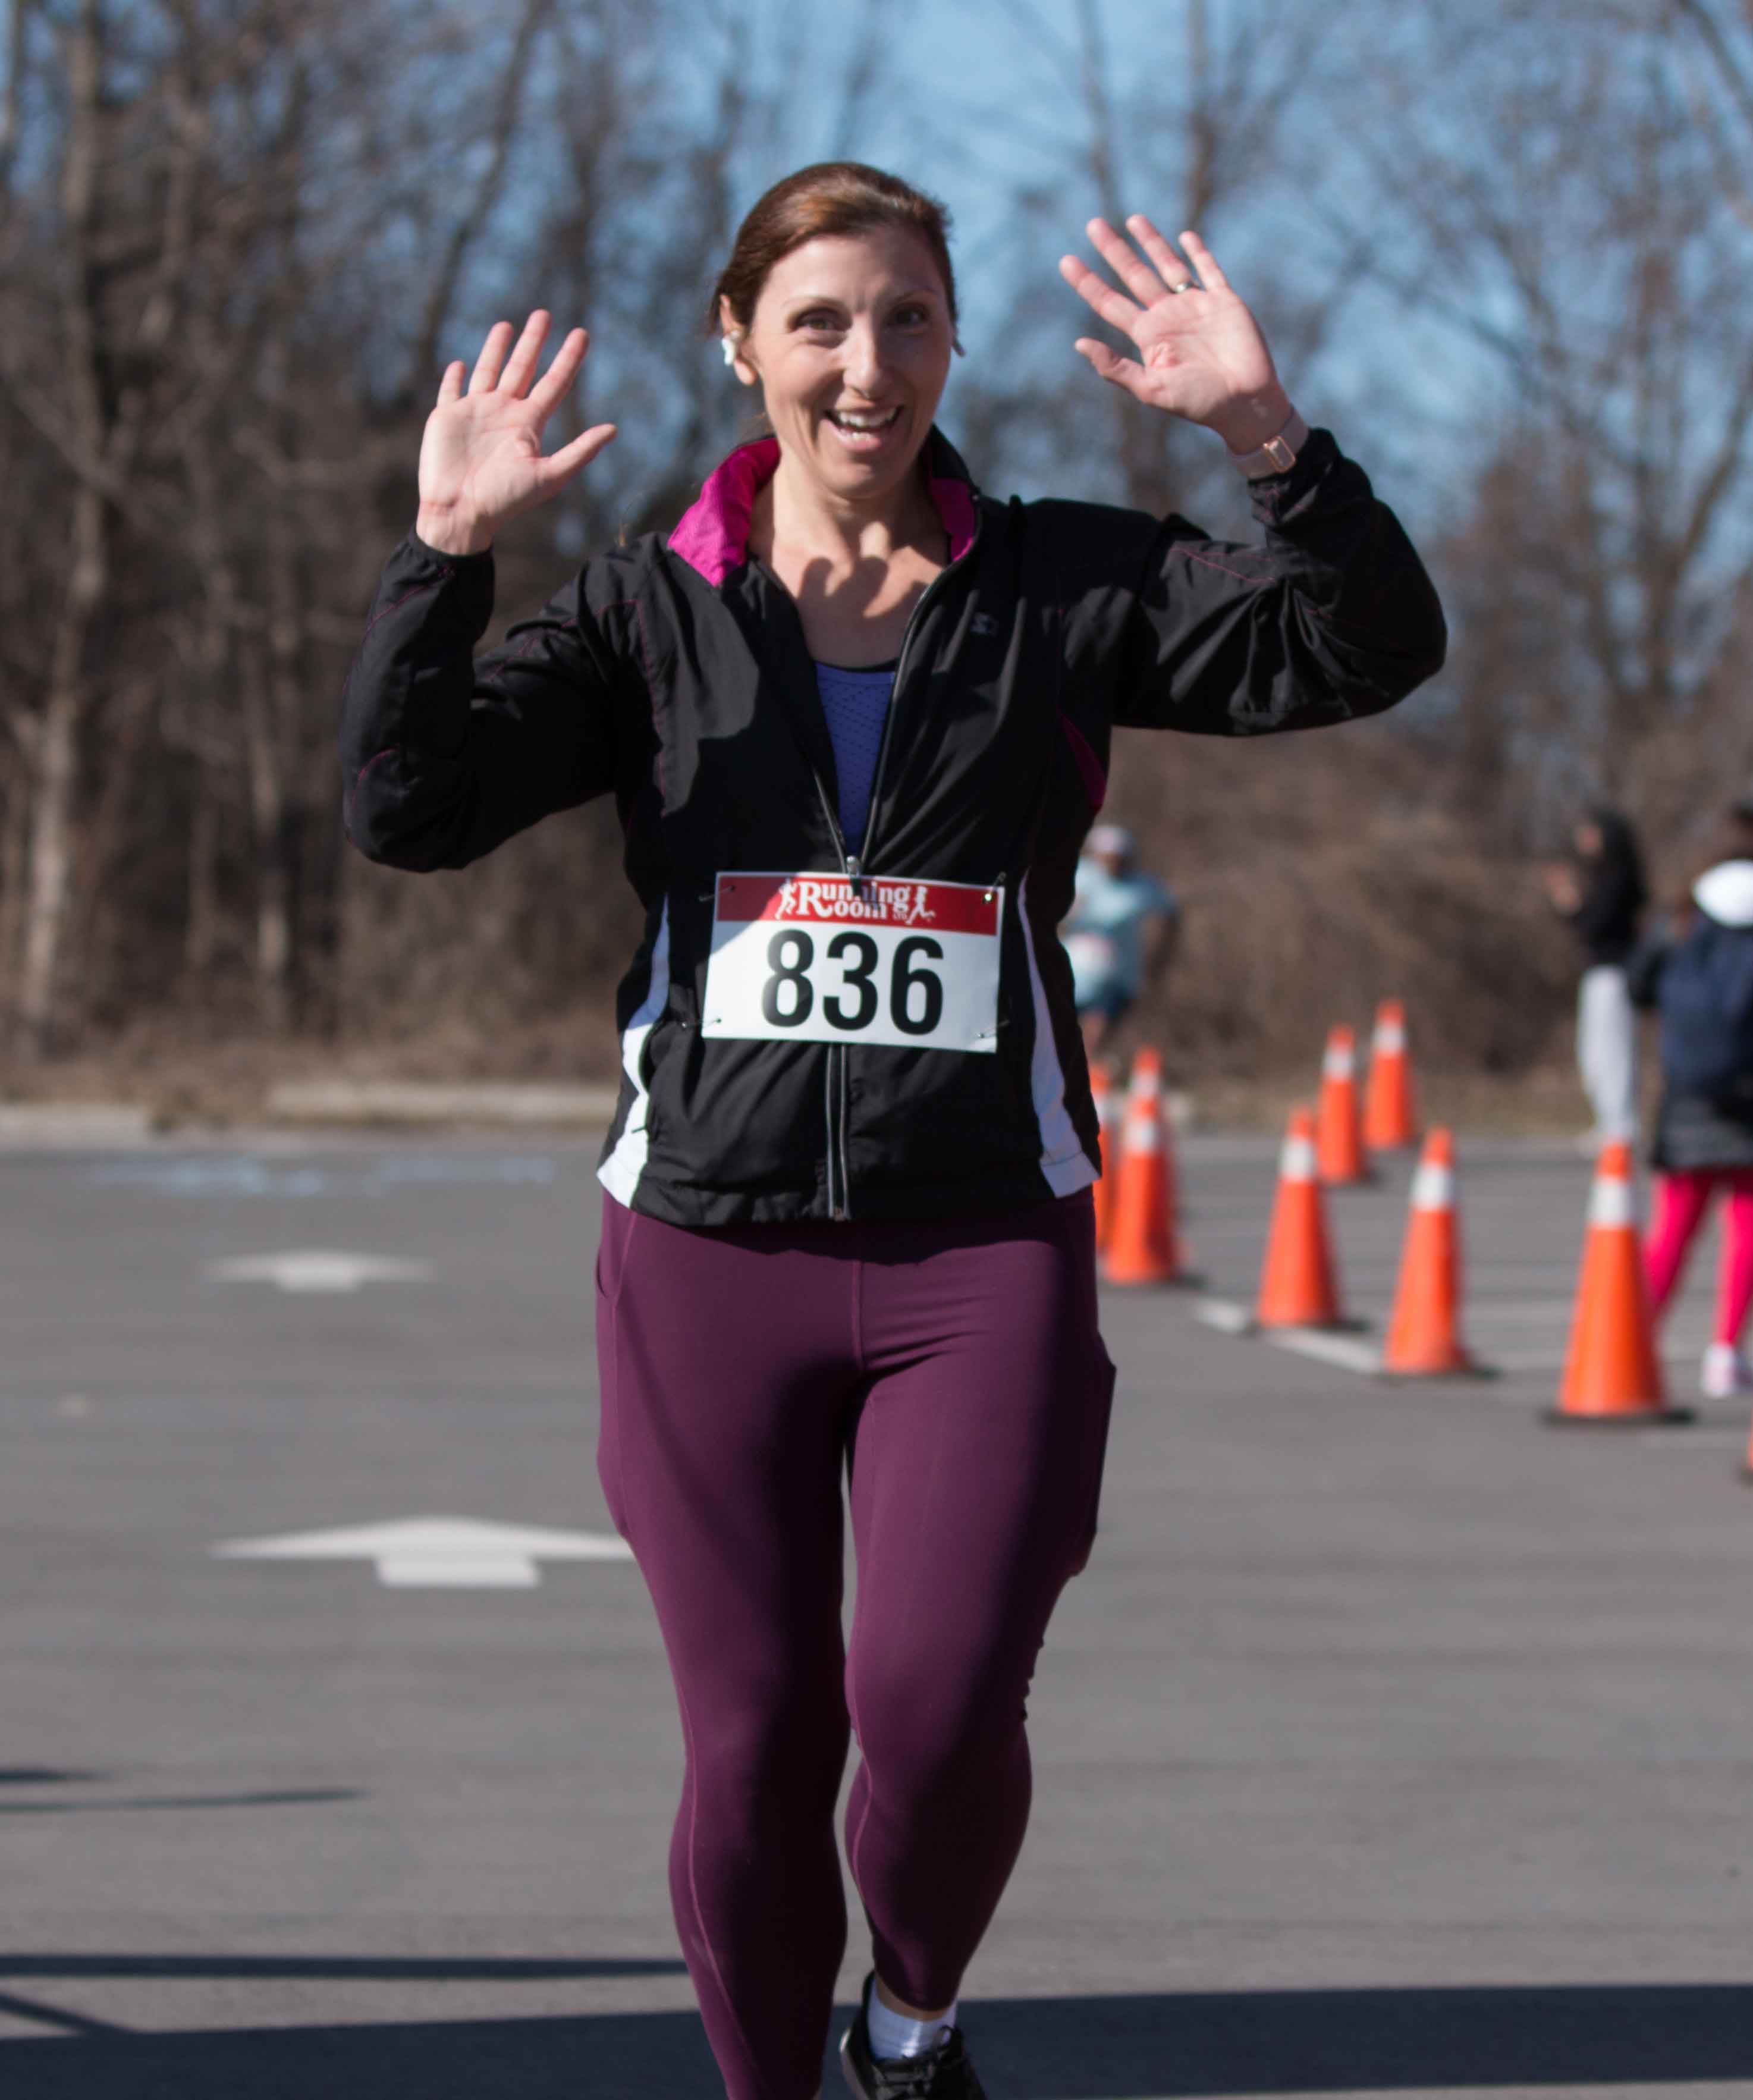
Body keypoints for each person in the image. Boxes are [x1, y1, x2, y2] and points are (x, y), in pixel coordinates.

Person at [338, 162, 1446, 2100]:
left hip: (978, 1242)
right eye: (821, 323)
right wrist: (443, 556)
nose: (867, 365)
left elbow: (1362, 650)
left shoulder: (1063, 585)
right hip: (703, 1245)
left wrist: (1266, 437)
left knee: (931, 1710)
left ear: (950, 343)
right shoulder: (643, 611)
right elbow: (406, 805)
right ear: (739, 344)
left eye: (908, 319)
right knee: (757, 1741)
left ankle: (911, 2024)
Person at [1631, 803, 1753, 1399]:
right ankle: (1724, 1351)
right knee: (1746, 1228)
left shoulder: (1684, 915)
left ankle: (1633, 1337)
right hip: (1748, 1098)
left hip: (1686, 1097)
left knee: (1673, 1229)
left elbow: (1638, 983)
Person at [1541, 807, 1648, 1145]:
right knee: (1595, 1053)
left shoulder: (1620, 878)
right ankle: (1608, 1121)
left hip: (1616, 974)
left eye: (1590, 832)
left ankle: (1621, 1125)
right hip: (1598, 974)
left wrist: (1572, 903)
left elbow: (1595, 925)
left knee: (1614, 1051)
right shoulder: (1602, 876)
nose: (1584, 840)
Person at [1061, 823, 1178, 1059]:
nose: (1113, 863)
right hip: (1073, 971)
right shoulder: (1079, 876)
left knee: (1095, 1033)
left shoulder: (1142, 887)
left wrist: (1159, 960)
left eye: (1118, 858)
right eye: (1107, 857)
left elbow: (1170, 915)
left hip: (1117, 975)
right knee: (1061, 1033)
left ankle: (1085, 1069)